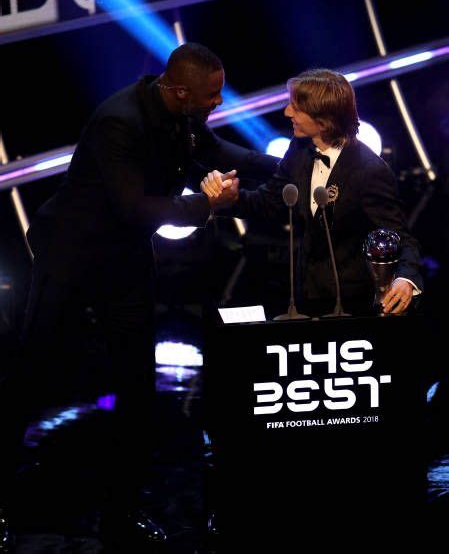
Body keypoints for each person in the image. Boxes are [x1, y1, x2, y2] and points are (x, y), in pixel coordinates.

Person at [0, 43, 278, 551]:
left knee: (136, 383)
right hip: (72, 254)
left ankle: (122, 515)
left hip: (123, 261)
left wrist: (281, 168)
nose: (218, 102)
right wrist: (206, 205)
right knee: (34, 370)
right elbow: (132, 207)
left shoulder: (183, 111)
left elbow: (212, 152)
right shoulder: (119, 122)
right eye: (211, 95)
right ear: (179, 90)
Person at [200, 68, 423, 316]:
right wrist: (230, 200)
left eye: (295, 107)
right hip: (306, 298)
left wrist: (406, 279)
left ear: (323, 119)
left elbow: (399, 235)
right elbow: (268, 202)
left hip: (354, 307)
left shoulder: (369, 171)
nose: (287, 112)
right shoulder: (299, 149)